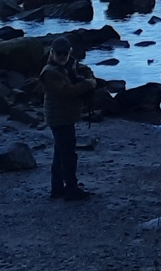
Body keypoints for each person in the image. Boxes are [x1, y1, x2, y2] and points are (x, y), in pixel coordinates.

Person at [40, 37, 96, 201]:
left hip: (66, 117)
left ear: (69, 52)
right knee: (68, 154)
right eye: (59, 53)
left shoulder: (70, 64)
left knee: (61, 153)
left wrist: (87, 78)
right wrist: (88, 84)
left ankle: (58, 189)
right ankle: (71, 189)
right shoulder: (49, 72)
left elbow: (85, 70)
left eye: (65, 53)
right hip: (59, 118)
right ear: (52, 53)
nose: (62, 56)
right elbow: (66, 91)